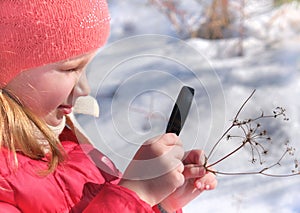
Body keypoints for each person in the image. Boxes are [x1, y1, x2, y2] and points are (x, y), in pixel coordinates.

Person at [0, 0, 217, 212]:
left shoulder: (72, 149)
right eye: (70, 69)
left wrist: (158, 204)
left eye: (86, 68)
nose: (84, 88)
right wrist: (138, 192)